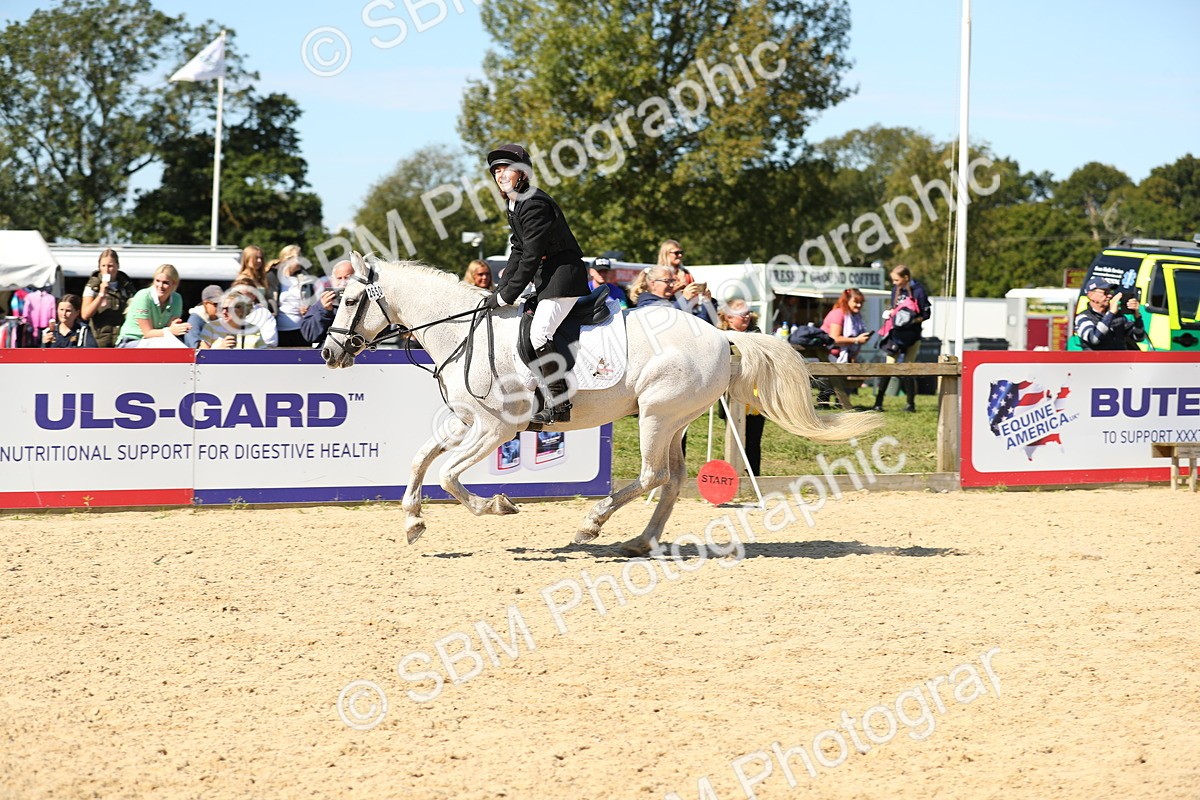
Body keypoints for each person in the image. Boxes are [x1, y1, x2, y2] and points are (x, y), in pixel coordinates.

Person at [482, 143, 590, 425]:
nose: (500, 175)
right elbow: (517, 249)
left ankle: (560, 400)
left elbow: (530, 256)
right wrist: (500, 290)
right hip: (548, 277)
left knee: (540, 334)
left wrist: (507, 296)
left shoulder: (535, 203)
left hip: (564, 276)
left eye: (507, 169)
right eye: (496, 171)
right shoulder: (515, 203)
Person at [873, 265, 931, 413]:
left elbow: (926, 314)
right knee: (888, 366)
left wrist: (911, 321)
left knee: (908, 367)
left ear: (906, 277)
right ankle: (878, 402)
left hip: (912, 335)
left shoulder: (919, 291)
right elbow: (894, 308)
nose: (894, 283)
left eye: (896, 280)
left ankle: (910, 404)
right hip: (895, 335)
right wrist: (891, 313)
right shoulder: (895, 291)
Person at [718, 298, 764, 475]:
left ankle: (754, 475)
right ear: (729, 318)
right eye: (741, 314)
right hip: (730, 394)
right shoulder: (721, 337)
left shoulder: (757, 334)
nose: (745, 317)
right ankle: (733, 476)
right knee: (733, 439)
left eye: (747, 313)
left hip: (754, 395)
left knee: (754, 439)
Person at [115, 264, 190, 347]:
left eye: (165, 283)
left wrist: (180, 328)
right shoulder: (143, 296)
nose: (160, 286)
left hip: (158, 340)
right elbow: (147, 333)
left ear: (174, 284)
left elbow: (171, 328)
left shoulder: (177, 299)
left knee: (181, 348)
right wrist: (170, 331)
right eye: (157, 281)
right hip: (131, 341)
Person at [80, 248, 136, 347]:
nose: (106, 270)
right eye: (103, 266)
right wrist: (101, 295)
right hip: (98, 341)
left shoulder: (127, 287)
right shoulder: (92, 286)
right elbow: (85, 315)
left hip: (121, 341)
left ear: (117, 266)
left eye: (110, 266)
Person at [1075, 276, 1145, 350]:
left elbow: (1138, 337)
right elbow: (1094, 338)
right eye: (1105, 292)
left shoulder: (1118, 317)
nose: (1110, 295)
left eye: (1110, 292)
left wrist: (1137, 317)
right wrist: (1110, 313)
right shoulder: (1082, 317)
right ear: (1091, 295)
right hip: (1097, 360)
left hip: (1119, 360)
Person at [301, 260, 354, 345]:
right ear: (333, 280)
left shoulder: (368, 300)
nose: (343, 282)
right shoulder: (325, 300)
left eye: (348, 277)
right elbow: (309, 335)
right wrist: (325, 311)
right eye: (339, 278)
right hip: (330, 351)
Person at [274, 245, 317, 347]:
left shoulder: (305, 278)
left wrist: (308, 308)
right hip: (279, 331)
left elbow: (313, 302)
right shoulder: (273, 278)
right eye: (298, 257)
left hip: (301, 331)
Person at [199, 292, 269, 349]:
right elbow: (202, 357)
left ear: (241, 310)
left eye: (228, 309)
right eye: (222, 308)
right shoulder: (211, 327)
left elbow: (263, 356)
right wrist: (220, 348)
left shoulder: (253, 330)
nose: (224, 312)